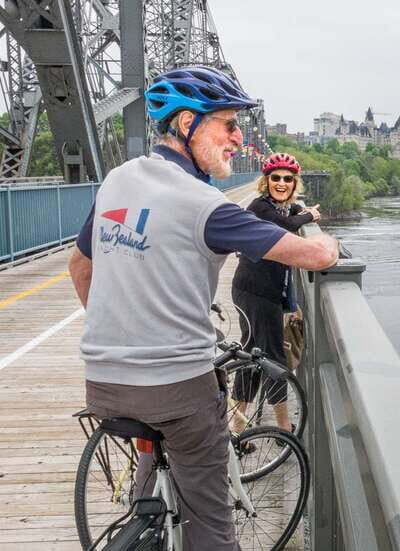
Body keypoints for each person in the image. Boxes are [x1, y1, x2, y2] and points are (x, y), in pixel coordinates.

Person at [67, 66, 338, 551]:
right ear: (188, 123)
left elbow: (79, 268)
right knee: (211, 522)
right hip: (176, 388)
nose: (238, 138)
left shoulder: (116, 180)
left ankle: (144, 516)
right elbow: (314, 255)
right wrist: (330, 240)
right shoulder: (204, 204)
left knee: (154, 467)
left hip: (103, 381)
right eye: (228, 124)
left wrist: (120, 334)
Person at [229, 153, 319, 437]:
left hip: (256, 290)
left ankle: (236, 429)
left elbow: (287, 216)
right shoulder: (259, 207)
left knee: (251, 357)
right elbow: (286, 227)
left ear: (295, 184)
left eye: (288, 179)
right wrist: (309, 215)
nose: (281, 183)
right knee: (274, 359)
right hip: (257, 293)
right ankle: (282, 427)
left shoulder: (278, 208)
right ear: (266, 181)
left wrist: (297, 211)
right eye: (275, 178)